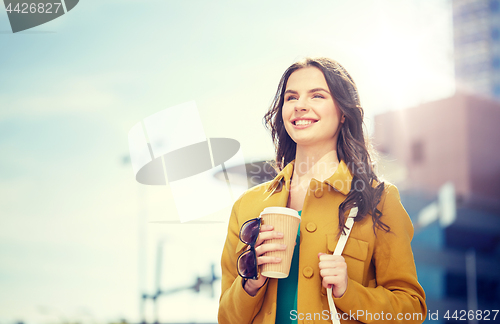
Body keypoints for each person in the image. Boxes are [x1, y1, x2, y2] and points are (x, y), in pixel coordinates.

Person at [218, 57, 426, 323]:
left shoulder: (379, 199)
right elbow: (226, 317)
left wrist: (350, 292)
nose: (300, 106)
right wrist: (250, 284)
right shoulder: (247, 205)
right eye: (291, 98)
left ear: (343, 113)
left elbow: (411, 310)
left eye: (317, 95)